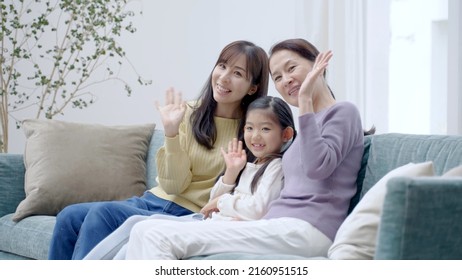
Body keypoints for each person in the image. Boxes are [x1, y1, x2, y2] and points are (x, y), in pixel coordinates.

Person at [104, 38, 369, 260]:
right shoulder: (300, 133)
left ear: (317, 64)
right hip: (279, 225)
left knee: (157, 236)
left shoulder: (343, 112)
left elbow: (317, 167)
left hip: (309, 230)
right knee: (142, 230)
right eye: (277, 77)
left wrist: (305, 102)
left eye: (292, 68)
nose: (285, 80)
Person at [48, 40, 269, 260]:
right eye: (222, 66)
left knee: (102, 214)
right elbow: (173, 185)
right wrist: (171, 133)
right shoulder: (188, 112)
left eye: (238, 73)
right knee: (69, 216)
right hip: (153, 200)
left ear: (253, 87)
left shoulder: (251, 132)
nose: (223, 77)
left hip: (189, 214)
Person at [83, 96, 296, 259]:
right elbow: (214, 199)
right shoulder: (251, 164)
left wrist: (221, 202)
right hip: (213, 222)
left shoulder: (276, 166)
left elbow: (257, 208)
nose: (255, 136)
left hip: (221, 228)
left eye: (265, 129)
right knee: (136, 227)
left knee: (141, 228)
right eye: (249, 128)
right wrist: (231, 173)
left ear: (285, 135)